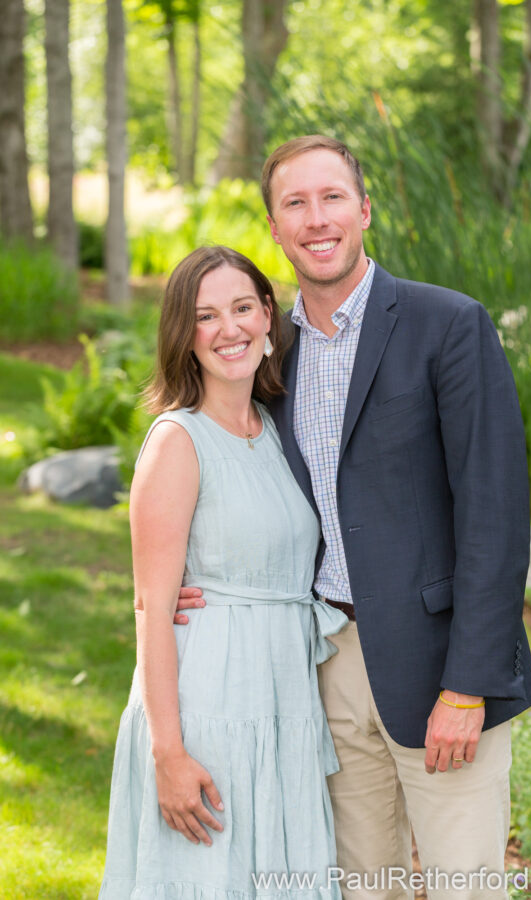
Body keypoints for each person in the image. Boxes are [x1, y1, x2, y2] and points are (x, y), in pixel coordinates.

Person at [176, 137, 531, 900]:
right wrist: (187, 579)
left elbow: (495, 515)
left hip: (442, 667)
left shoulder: (448, 325)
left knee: (463, 887)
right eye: (295, 204)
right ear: (274, 227)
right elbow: (228, 474)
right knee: (358, 887)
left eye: (332, 197)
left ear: (364, 210)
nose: (317, 219)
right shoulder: (267, 352)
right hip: (325, 667)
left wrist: (469, 685)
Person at [99, 245, 348, 899]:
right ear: (185, 336)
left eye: (242, 307)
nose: (229, 329)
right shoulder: (177, 440)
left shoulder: (274, 428)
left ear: (269, 315)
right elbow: (152, 609)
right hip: (210, 703)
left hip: (286, 701)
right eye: (206, 316)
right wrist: (168, 752)